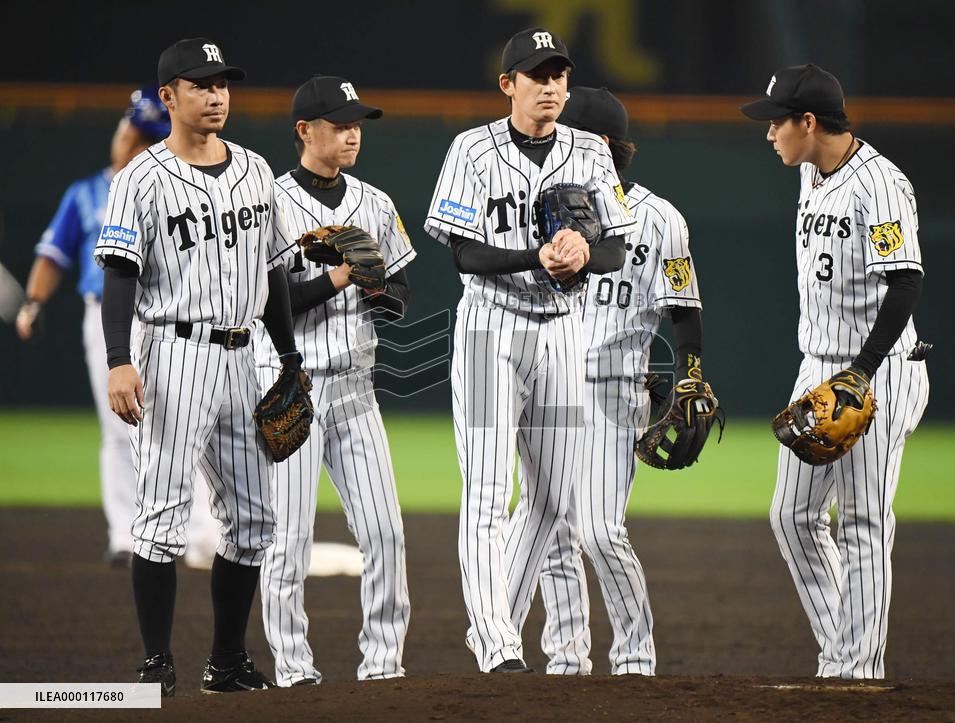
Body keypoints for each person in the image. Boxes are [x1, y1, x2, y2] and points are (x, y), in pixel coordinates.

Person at [94, 37, 304, 695]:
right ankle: (156, 662)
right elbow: (120, 276)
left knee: (253, 519)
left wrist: (290, 356)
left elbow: (273, 272)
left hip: (245, 356)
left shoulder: (255, 169)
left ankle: (227, 660)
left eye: (222, 84)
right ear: (169, 97)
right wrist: (119, 360)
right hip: (172, 352)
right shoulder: (141, 178)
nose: (215, 94)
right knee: (161, 510)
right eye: (200, 84)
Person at [424, 28, 634, 673]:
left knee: (550, 498)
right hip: (492, 327)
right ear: (507, 84)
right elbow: (461, 250)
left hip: (564, 329)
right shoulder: (471, 149)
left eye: (559, 75)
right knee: (488, 490)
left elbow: (617, 247)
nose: (550, 86)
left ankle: (498, 619)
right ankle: (495, 641)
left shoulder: (589, 153)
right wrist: (536, 255)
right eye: (536, 74)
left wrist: (582, 256)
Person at [741, 63, 929, 679]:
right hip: (816, 366)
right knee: (791, 517)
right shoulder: (812, 174)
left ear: (809, 122)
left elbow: (905, 283)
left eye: (776, 122)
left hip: (879, 369)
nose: (769, 134)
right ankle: (843, 654)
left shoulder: (880, 185)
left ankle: (859, 671)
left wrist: (862, 372)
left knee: (864, 520)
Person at [529, 87, 711, 675]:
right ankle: (566, 659)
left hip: (614, 394)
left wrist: (690, 378)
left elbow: (684, 308)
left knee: (600, 530)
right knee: (549, 530)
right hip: (547, 388)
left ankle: (634, 658)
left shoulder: (660, 220)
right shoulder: (545, 208)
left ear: (600, 147)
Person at [255, 75, 415, 685]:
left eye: (357, 124)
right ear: (304, 131)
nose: (353, 133)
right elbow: (264, 304)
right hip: (290, 385)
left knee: (386, 533)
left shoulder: (374, 201)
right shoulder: (267, 203)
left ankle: (383, 664)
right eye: (340, 123)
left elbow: (399, 293)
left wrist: (377, 287)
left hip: (356, 392)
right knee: (288, 541)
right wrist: (340, 278)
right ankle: (294, 669)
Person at [15, 89, 217, 568]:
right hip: (100, 316)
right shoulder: (85, 193)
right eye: (129, 131)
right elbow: (52, 255)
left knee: (187, 424)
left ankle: (202, 534)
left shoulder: (179, 189)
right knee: (116, 427)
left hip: (164, 317)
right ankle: (126, 536)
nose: (131, 142)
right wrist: (33, 301)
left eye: (145, 136)